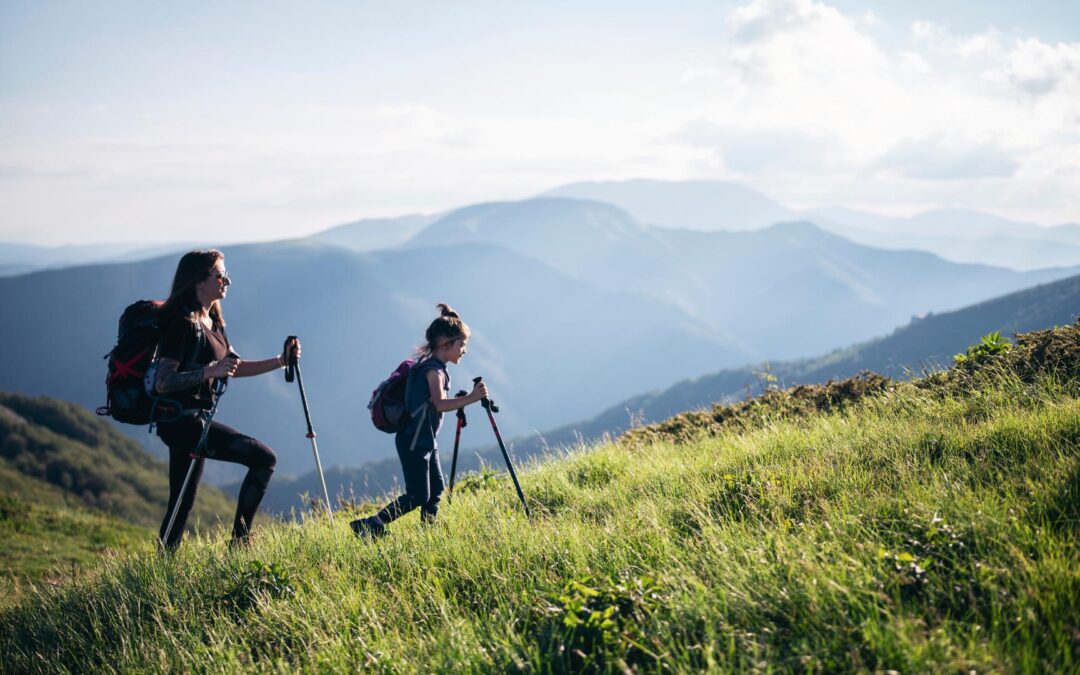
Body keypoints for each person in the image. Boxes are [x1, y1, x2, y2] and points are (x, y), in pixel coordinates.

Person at [154, 249, 300, 549]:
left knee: (182, 500)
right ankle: (240, 543)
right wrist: (209, 371)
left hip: (194, 421)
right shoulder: (182, 324)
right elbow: (163, 382)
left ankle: (162, 565)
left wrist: (280, 361)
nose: (228, 281)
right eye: (220, 275)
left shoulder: (213, 320)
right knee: (264, 459)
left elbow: (233, 367)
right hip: (181, 421)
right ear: (198, 280)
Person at [351, 303, 488, 538]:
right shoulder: (433, 371)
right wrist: (472, 398)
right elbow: (439, 404)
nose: (464, 350)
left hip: (424, 439)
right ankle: (371, 524)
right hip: (414, 441)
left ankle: (428, 534)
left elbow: (434, 402)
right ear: (446, 343)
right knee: (417, 495)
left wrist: (461, 400)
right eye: (461, 344)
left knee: (435, 491)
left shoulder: (436, 367)